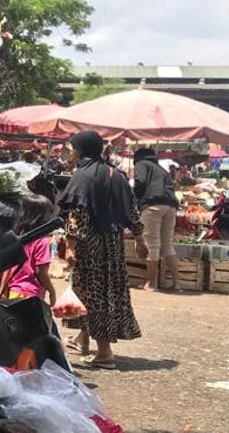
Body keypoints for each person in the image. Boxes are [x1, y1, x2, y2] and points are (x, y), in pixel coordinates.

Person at [59, 130, 143, 370]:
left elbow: (78, 215)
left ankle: (105, 353)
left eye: (73, 147)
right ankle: (82, 340)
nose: (70, 151)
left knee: (94, 294)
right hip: (114, 243)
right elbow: (131, 210)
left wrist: (71, 245)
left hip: (91, 245)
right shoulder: (115, 174)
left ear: (82, 149)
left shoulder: (82, 176)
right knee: (104, 292)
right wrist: (139, 237)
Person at [132, 148, 179, 291]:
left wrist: (135, 197)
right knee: (167, 244)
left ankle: (151, 283)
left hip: (152, 205)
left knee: (151, 244)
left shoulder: (141, 164)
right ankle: (177, 284)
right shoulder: (162, 170)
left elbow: (140, 182)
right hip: (171, 206)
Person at [6, 194, 58, 305]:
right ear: (42, 216)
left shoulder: (15, 237)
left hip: (13, 290)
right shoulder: (41, 241)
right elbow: (41, 272)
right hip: (31, 295)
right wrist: (51, 290)